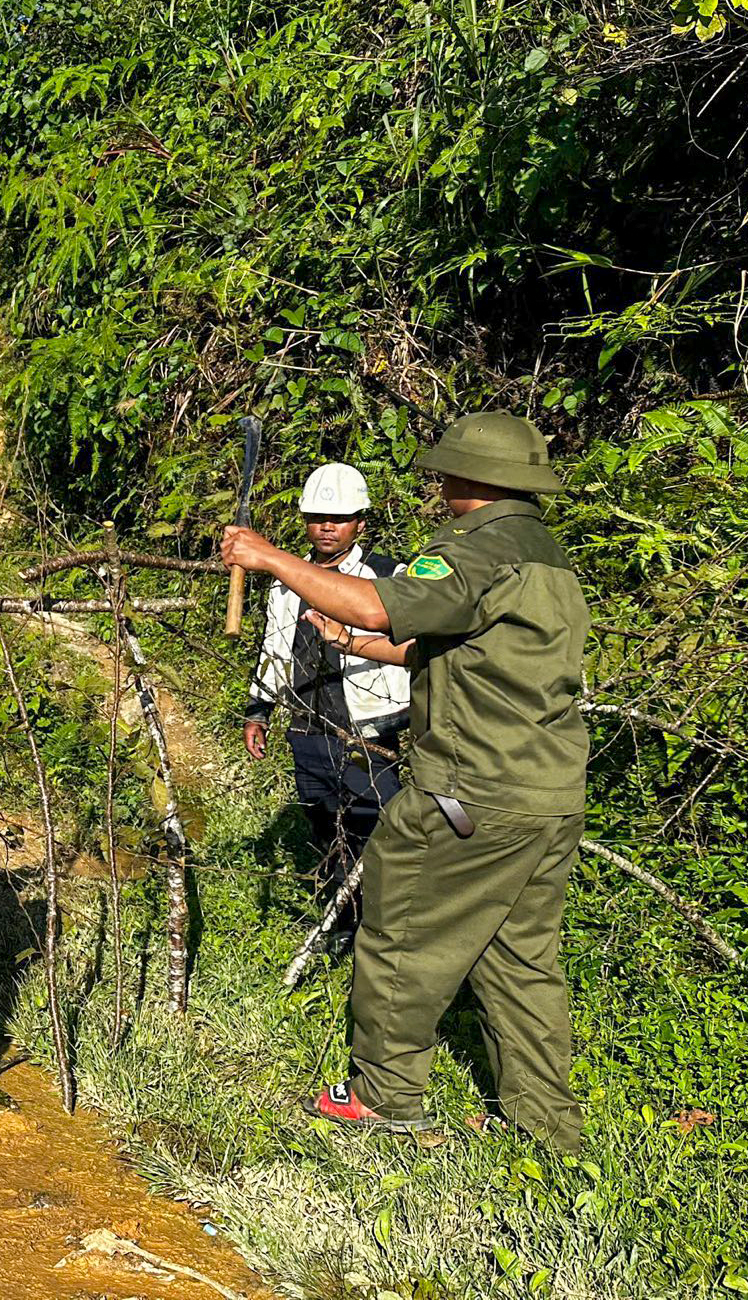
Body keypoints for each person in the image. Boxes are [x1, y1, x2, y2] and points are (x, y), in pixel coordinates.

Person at [221, 412, 589, 1151]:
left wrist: (268, 558)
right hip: (549, 795)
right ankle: (543, 1124)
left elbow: (377, 600)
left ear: (471, 480)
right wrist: (352, 641)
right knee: (519, 957)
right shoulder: (545, 554)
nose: (440, 483)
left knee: (397, 930)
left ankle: (383, 1096)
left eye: (447, 471)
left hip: (471, 791)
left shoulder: (473, 548)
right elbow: (454, 651)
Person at [244, 462, 411, 955]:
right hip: (308, 728)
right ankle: (343, 923)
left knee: (376, 828)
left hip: (367, 731)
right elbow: (274, 649)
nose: (326, 527)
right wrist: (259, 709)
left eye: (338, 518)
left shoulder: (387, 577)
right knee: (324, 827)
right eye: (317, 517)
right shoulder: (284, 579)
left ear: (360, 520)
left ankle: (387, 931)